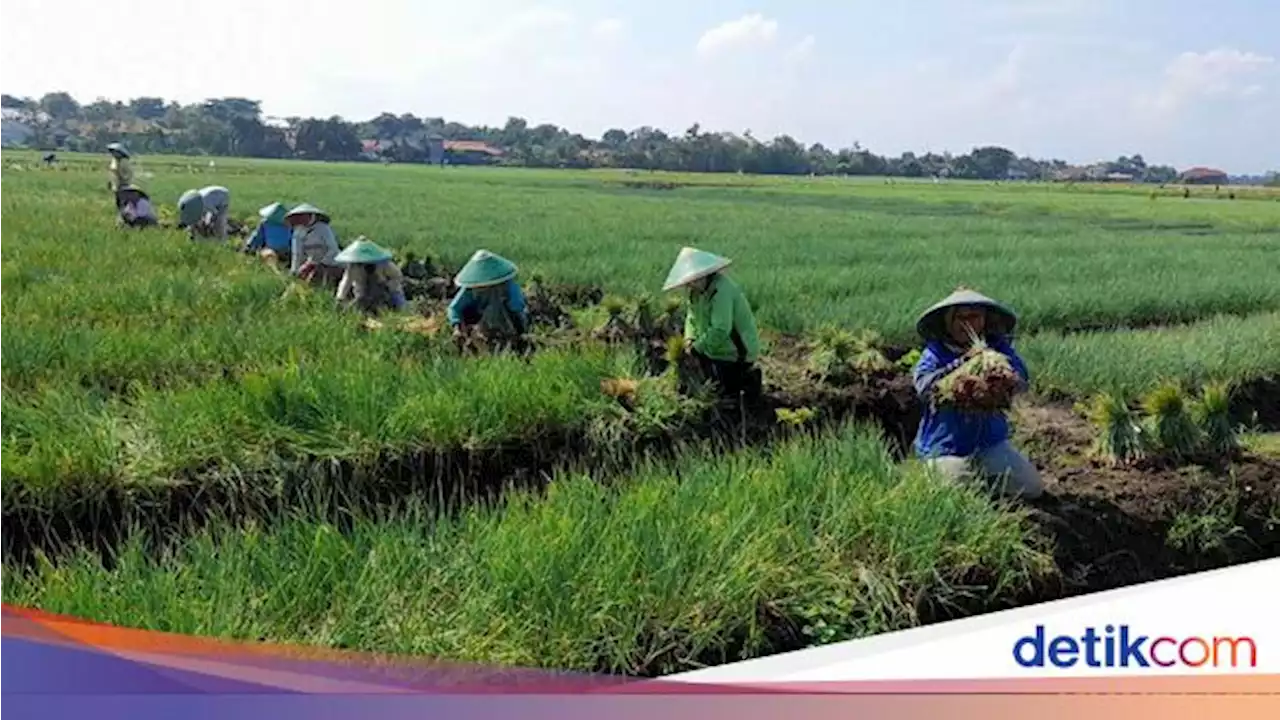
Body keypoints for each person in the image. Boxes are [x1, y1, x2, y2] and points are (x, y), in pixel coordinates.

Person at [911, 287, 1044, 500]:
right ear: (948, 322)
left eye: (973, 316)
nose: (967, 323)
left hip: (989, 444)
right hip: (946, 447)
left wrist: (1000, 375)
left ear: (984, 320)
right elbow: (923, 387)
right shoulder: (936, 352)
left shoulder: (997, 349)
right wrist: (963, 364)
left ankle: (985, 481)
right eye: (960, 317)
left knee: (1031, 487)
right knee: (957, 495)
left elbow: (1022, 379)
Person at [661, 246, 763, 402]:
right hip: (711, 349)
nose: (689, 285)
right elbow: (691, 318)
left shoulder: (722, 291)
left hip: (735, 353)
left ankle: (748, 379)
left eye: (692, 281)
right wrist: (690, 340)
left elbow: (721, 329)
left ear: (703, 276)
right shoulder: (695, 294)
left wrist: (697, 349)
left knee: (722, 394)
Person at [447, 249, 529, 349]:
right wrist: (457, 327)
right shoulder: (470, 290)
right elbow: (454, 308)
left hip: (505, 324)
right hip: (477, 324)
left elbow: (517, 307)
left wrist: (520, 329)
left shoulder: (507, 286)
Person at [333, 237, 407, 314]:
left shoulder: (384, 264)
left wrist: (387, 284)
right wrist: (340, 298)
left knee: (399, 308)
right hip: (362, 295)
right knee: (354, 309)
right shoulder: (353, 267)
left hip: (387, 293)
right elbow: (346, 282)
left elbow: (398, 276)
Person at [285, 203, 344, 286]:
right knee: (299, 281)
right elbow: (297, 254)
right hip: (310, 263)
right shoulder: (297, 232)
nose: (300, 219)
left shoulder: (324, 229)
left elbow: (333, 249)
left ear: (310, 216)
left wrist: (320, 263)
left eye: (303, 216)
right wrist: (295, 271)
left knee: (313, 278)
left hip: (331, 263)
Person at [106, 142, 133, 208]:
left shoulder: (124, 162)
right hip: (116, 186)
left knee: (123, 202)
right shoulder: (114, 160)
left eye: (115, 152)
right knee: (118, 202)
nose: (113, 154)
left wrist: (122, 182)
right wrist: (111, 182)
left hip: (123, 186)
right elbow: (113, 172)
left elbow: (127, 174)